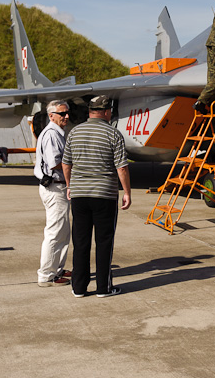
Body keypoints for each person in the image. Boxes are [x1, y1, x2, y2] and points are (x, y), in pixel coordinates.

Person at [62, 95, 131, 298]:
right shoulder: (113, 133)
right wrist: (126, 192)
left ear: (90, 111)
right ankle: (103, 287)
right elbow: (122, 167)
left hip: (80, 195)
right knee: (104, 242)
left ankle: (79, 288)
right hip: (104, 195)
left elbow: (66, 164)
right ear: (107, 111)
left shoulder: (74, 132)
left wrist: (69, 185)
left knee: (80, 241)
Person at [34, 99, 71, 287]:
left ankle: (57, 269)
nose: (66, 116)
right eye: (62, 114)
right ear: (51, 116)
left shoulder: (57, 133)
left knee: (64, 231)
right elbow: (55, 162)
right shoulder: (51, 135)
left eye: (67, 113)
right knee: (55, 232)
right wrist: (74, 166)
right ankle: (46, 275)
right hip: (55, 187)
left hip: (58, 186)